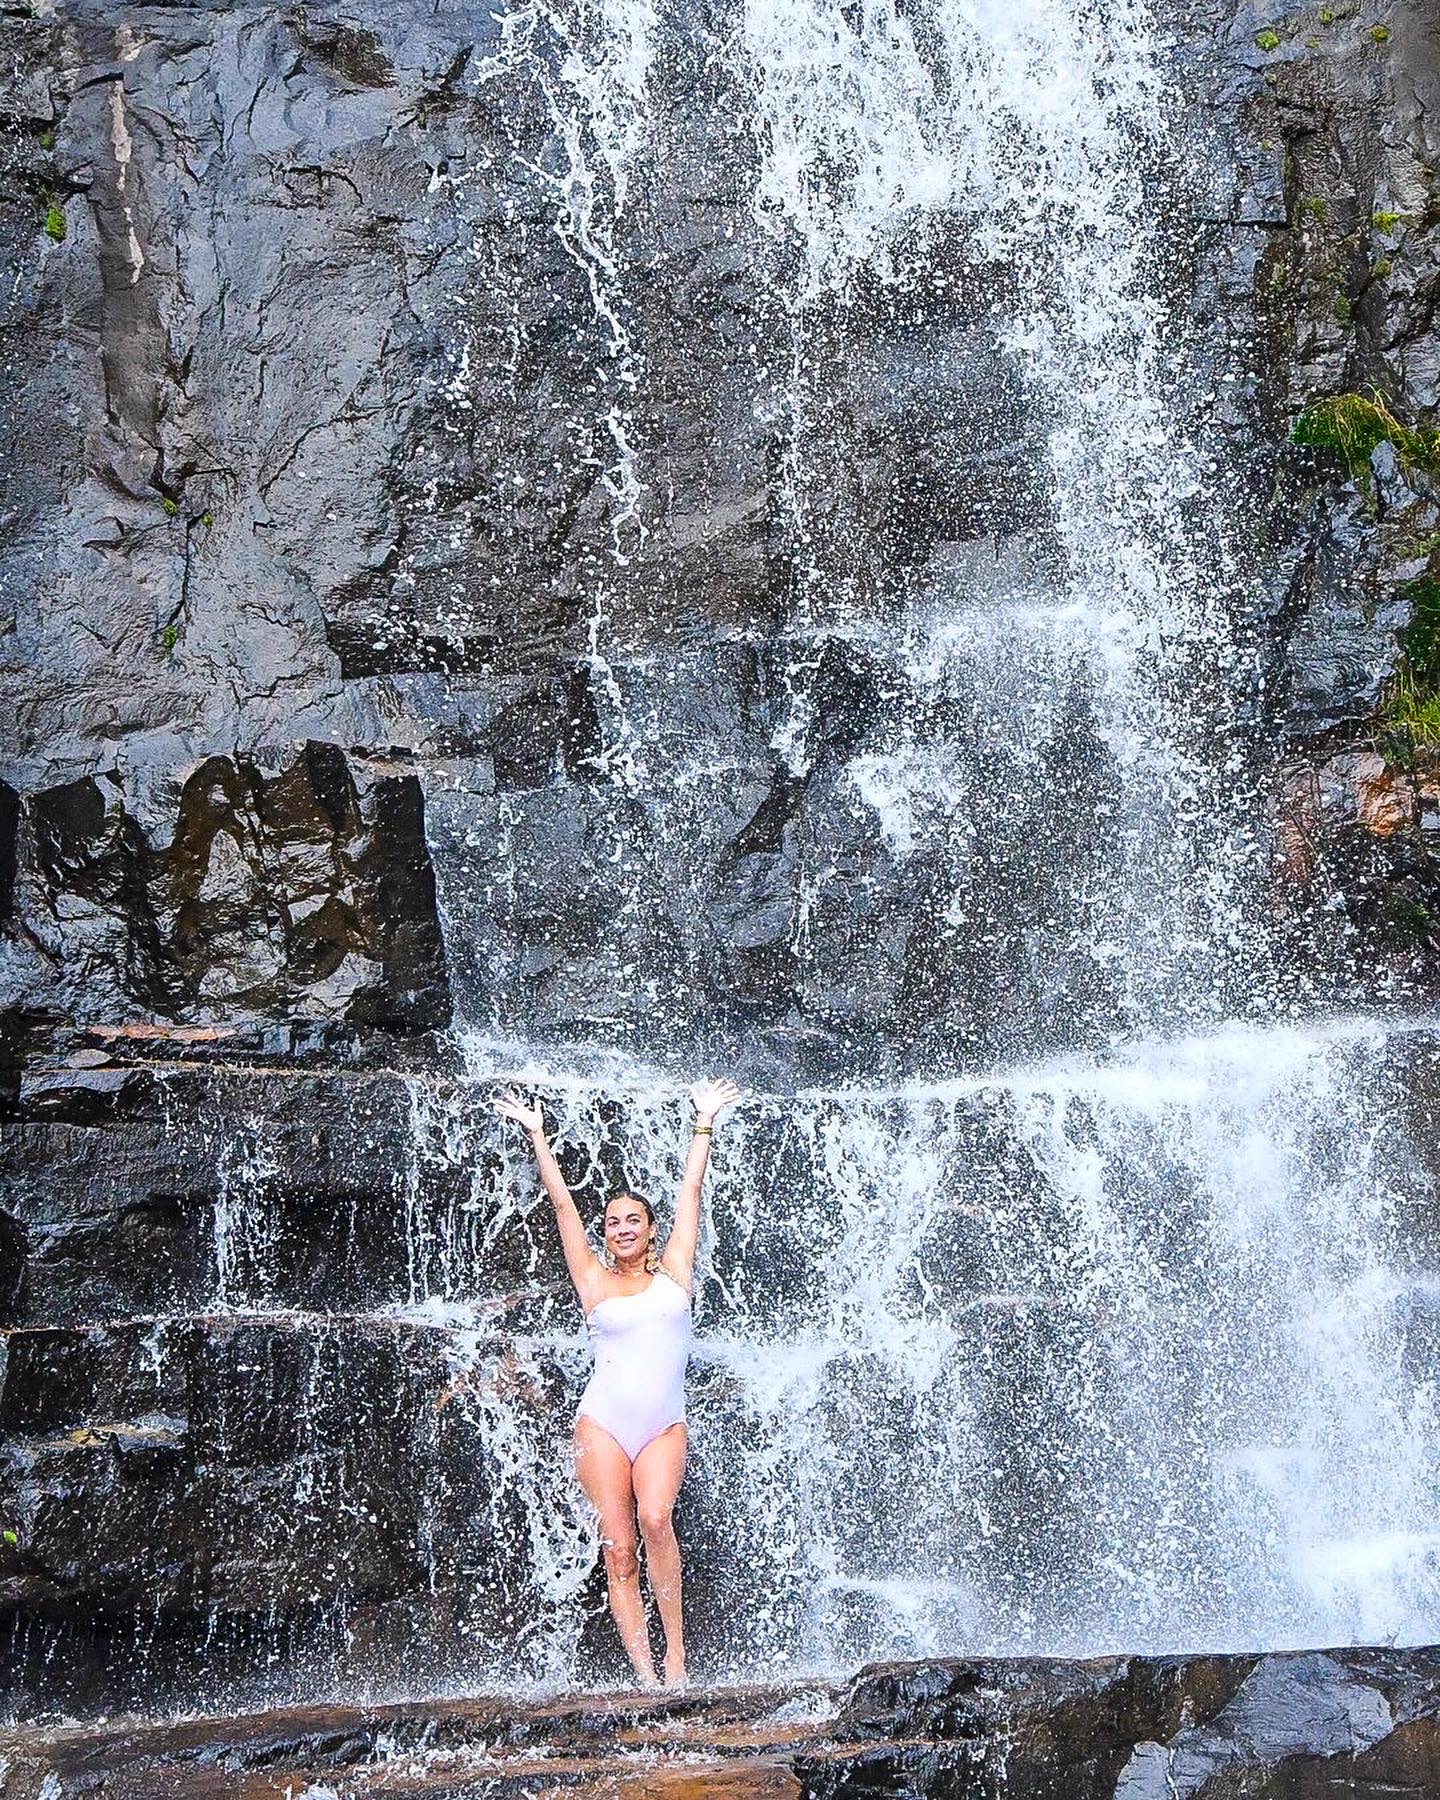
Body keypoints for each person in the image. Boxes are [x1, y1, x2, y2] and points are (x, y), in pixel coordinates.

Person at [494, 1077, 740, 1689]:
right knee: (618, 1545)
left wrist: (703, 1124)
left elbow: (691, 1192)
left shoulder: (676, 1272)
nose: (621, 1228)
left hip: (662, 1424)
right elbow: (561, 1209)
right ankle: (645, 1675)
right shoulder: (594, 1281)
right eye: (612, 1222)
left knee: (657, 1519)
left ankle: (677, 1659)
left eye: (633, 1220)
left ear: (650, 1229)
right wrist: (538, 1137)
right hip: (602, 1423)